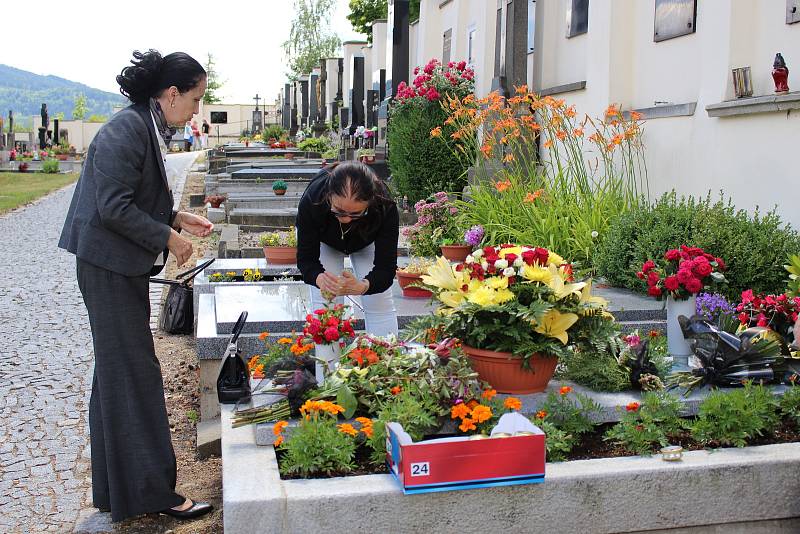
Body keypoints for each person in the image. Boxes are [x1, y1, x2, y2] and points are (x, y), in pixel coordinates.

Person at [58, 49, 214, 523]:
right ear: (171, 94)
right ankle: (153, 493)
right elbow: (112, 207)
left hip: (113, 265)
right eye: (194, 99)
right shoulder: (125, 131)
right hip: (106, 267)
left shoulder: (143, 125)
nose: (196, 110)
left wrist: (173, 216)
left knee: (116, 375)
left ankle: (117, 491)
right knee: (135, 375)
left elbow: (134, 196)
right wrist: (167, 237)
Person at [296, 161, 399, 336]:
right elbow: (307, 260)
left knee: (379, 301)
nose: (346, 219)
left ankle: (384, 360)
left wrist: (363, 286)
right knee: (326, 305)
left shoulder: (385, 207)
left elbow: (386, 268)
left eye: (356, 213)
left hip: (366, 240)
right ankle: (327, 363)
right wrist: (319, 278)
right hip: (325, 240)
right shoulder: (312, 200)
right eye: (339, 211)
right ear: (328, 195)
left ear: (371, 201)